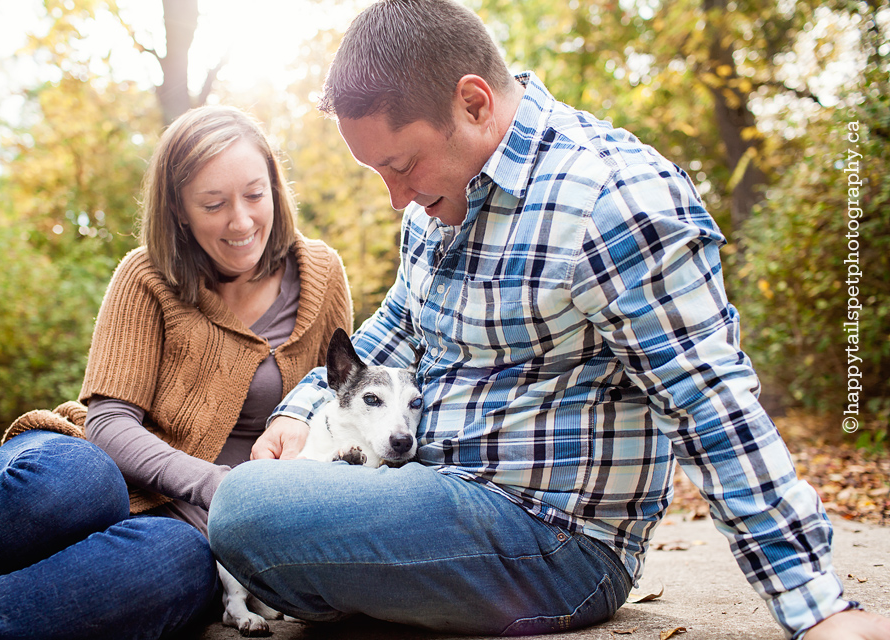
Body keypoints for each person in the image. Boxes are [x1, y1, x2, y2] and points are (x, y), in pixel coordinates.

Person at [207, 2, 890, 639]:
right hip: (429, 488)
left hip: (552, 538)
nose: (396, 200)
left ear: (473, 103)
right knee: (256, 495)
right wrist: (298, 409)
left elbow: (711, 406)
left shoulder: (612, 199)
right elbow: (399, 319)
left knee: (246, 510)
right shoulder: (439, 201)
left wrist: (819, 607)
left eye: (400, 165)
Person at [0, 105, 353, 639]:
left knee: (179, 563)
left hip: (193, 534)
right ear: (179, 210)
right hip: (82, 462)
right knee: (83, 482)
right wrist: (215, 485)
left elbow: (337, 402)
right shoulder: (146, 275)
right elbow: (107, 424)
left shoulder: (321, 274)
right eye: (213, 203)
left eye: (254, 194)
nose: (242, 221)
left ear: (275, 186)